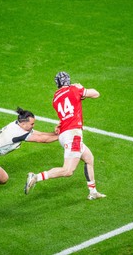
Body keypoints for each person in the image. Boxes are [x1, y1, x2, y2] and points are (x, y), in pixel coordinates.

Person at [24, 72, 106, 200]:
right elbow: (96, 93)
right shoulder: (74, 89)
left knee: (89, 158)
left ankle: (93, 192)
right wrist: (81, 87)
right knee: (67, 171)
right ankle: (36, 177)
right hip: (73, 135)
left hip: (64, 134)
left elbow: (67, 114)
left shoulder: (55, 98)